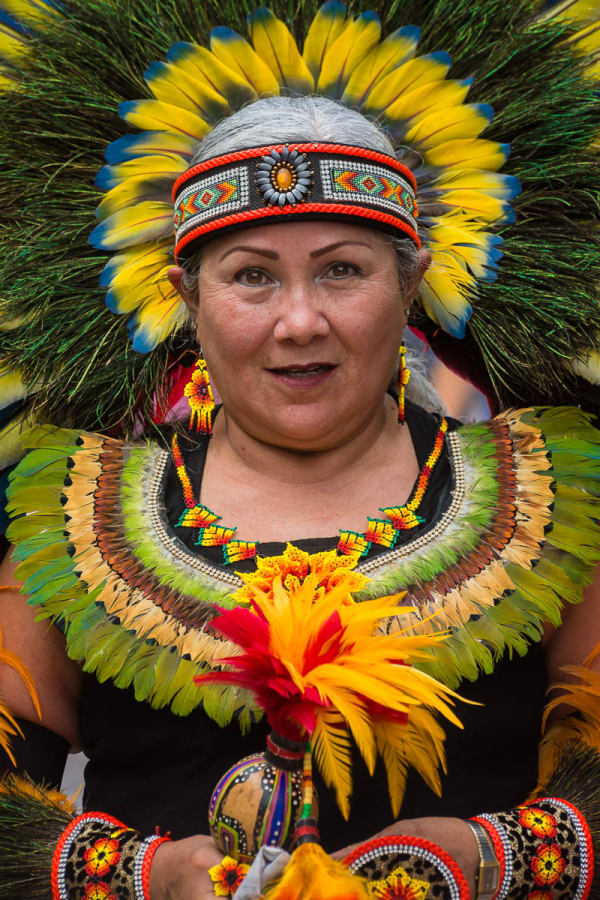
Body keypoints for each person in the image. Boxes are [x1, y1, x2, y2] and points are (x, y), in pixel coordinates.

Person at [0, 3, 599, 900]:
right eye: (250, 276)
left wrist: (487, 859)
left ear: (412, 281)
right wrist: (146, 875)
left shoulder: (553, 506)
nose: (299, 321)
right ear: (186, 296)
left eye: (342, 270)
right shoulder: (68, 523)